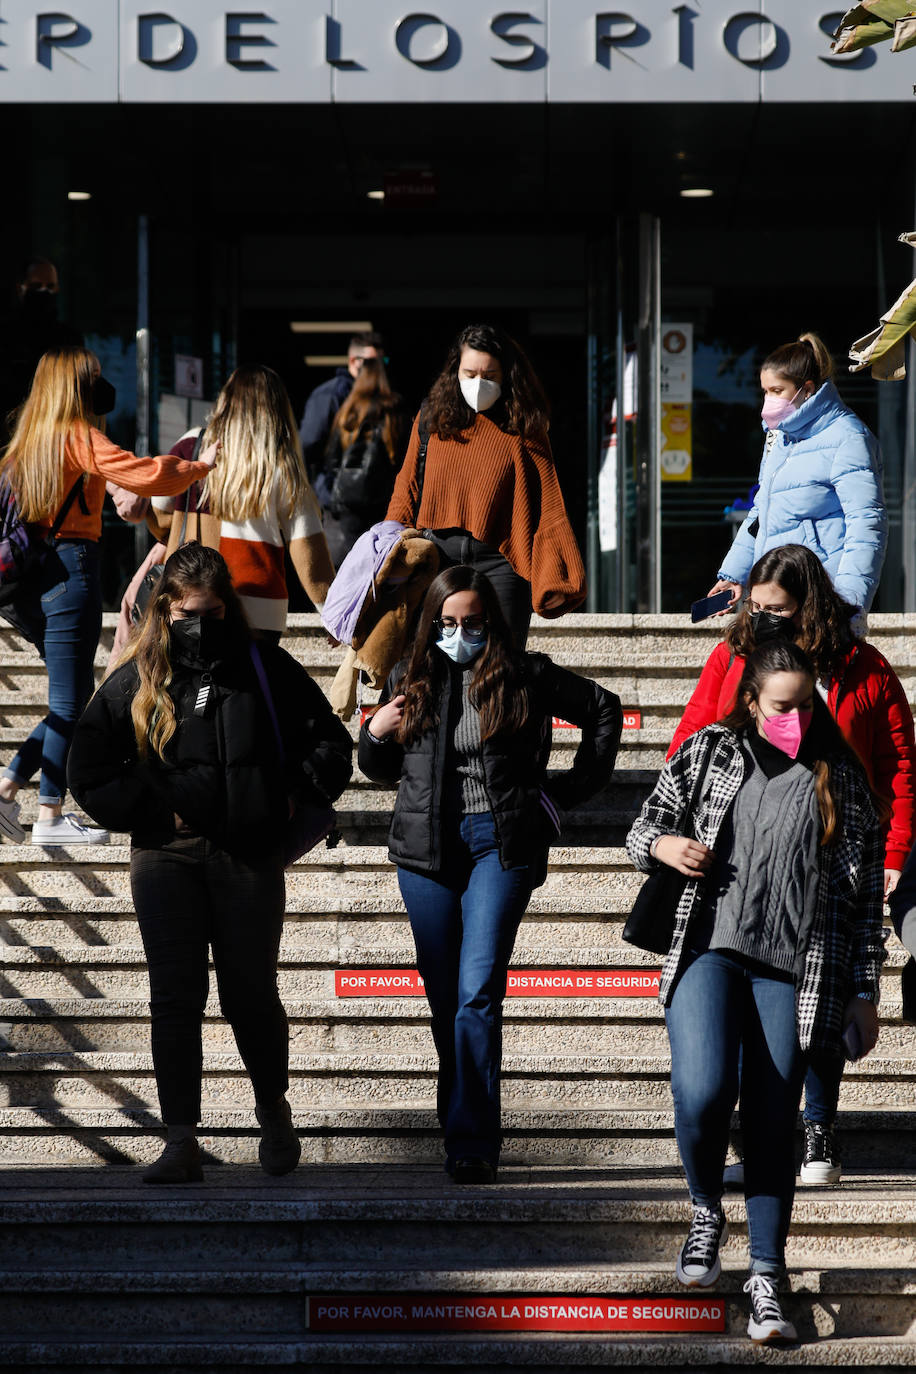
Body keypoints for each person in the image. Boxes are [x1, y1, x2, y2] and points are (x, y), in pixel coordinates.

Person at [67, 543, 354, 1184]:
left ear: (230, 606)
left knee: (251, 994)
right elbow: (86, 768)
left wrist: (286, 798)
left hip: (248, 854)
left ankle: (272, 1110)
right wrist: (151, 813)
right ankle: (180, 1139)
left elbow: (332, 743)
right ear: (165, 609)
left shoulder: (264, 666)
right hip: (165, 858)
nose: (202, 623)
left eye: (215, 610)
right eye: (190, 612)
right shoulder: (137, 677)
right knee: (175, 998)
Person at [627, 640, 885, 1345]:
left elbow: (862, 902)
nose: (796, 717)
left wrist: (864, 989)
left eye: (807, 704)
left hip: (794, 967)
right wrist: (665, 848)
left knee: (775, 1119)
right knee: (705, 1089)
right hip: (708, 948)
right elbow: (643, 825)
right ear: (750, 701)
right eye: (782, 705)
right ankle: (706, 1208)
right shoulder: (711, 750)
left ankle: (768, 1278)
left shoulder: (843, 778)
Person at [358, 565, 621, 1182]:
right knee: (444, 995)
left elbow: (602, 710)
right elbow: (377, 769)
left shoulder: (524, 674)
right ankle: (463, 1121)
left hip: (498, 844)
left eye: (472, 623)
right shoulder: (409, 676)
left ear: (491, 624)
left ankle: (472, 1141)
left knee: (476, 993)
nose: (460, 634)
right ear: (432, 624)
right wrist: (374, 732)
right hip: (426, 850)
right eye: (448, 623)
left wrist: (562, 796)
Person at [670, 543, 915, 1186]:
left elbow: (899, 768)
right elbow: (692, 736)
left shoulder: (864, 669)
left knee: (822, 989)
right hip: (746, 856)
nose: (763, 618)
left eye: (776, 609)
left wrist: (892, 852)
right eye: (755, 607)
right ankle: (760, 1124)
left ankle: (818, 1123)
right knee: (758, 1003)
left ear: (810, 606)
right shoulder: (734, 656)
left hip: (835, 851)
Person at [0, 346, 217, 847]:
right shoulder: (77, 436)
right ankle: (50, 813)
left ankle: (12, 788)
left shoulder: (27, 443)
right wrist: (199, 466)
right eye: (94, 377)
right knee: (72, 701)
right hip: (72, 570)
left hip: (40, 579)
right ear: (74, 385)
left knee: (71, 700)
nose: (102, 386)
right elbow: (142, 474)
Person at [385, 322, 586, 648]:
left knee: (502, 669)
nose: (480, 383)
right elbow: (406, 489)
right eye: (470, 374)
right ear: (455, 371)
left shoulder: (524, 424)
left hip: (503, 563)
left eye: (490, 376)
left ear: (506, 376)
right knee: (430, 666)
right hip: (437, 559)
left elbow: (549, 501)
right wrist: (387, 554)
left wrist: (557, 575)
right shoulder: (431, 419)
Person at [708, 332, 886, 617]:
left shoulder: (848, 438)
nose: (768, 400)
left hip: (819, 601)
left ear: (807, 389)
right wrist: (734, 574)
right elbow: (760, 514)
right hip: (772, 597)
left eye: (777, 391)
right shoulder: (780, 439)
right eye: (765, 391)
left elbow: (866, 527)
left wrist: (851, 608)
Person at [150, 366, 335, 638]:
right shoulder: (282, 465)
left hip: (193, 602)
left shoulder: (193, 445)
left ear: (225, 401)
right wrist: (333, 615)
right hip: (261, 606)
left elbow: (158, 509)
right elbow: (309, 554)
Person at [316, 356, 407, 565]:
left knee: (349, 565)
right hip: (381, 502)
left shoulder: (349, 409)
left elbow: (331, 458)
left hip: (347, 503)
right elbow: (403, 458)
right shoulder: (395, 410)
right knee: (376, 566)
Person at [0, 256, 83, 448]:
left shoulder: (69, 339)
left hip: (52, 440)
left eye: (50, 286)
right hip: (8, 437)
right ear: (21, 288)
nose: (44, 292)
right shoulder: (6, 335)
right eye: (37, 286)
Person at [299, 331, 384, 481]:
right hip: (331, 495)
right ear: (353, 361)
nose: (378, 369)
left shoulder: (383, 398)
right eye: (370, 363)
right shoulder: (329, 395)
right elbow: (308, 443)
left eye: (382, 361)